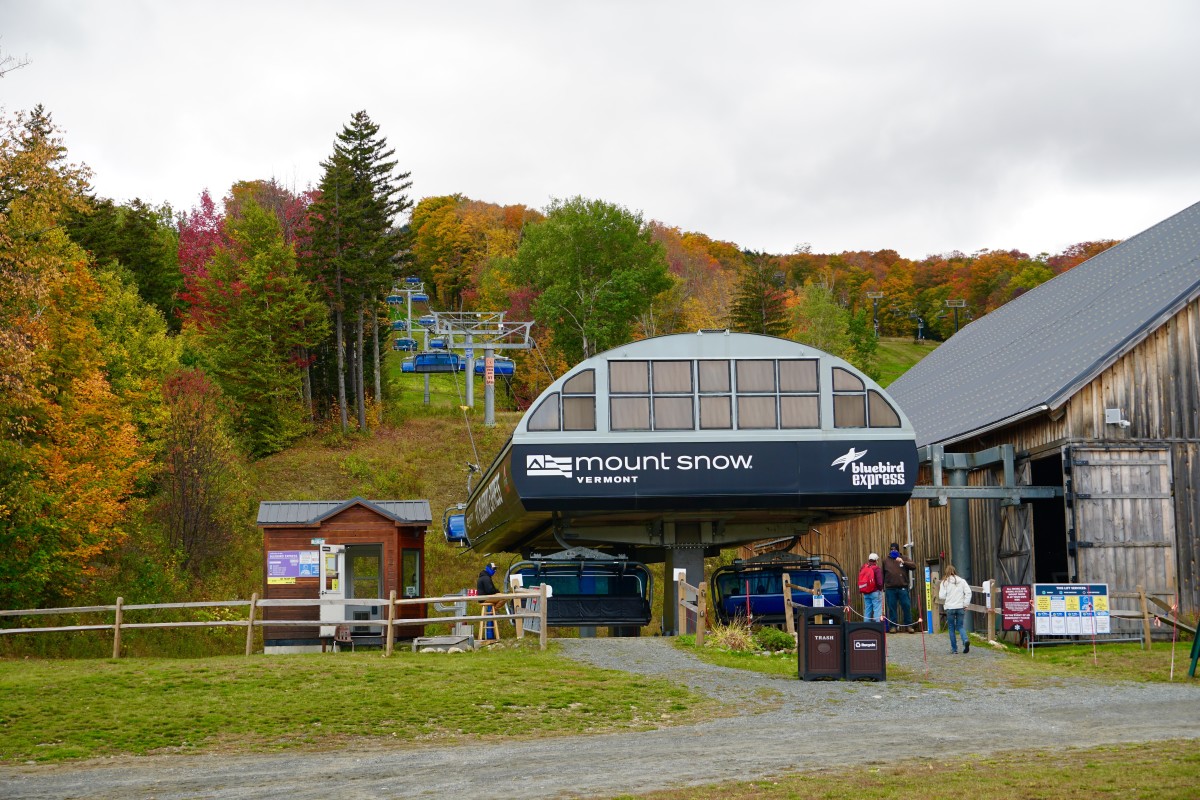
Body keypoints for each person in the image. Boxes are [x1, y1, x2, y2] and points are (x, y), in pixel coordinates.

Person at [882, 542, 916, 632]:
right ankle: (893, 626)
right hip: (890, 588)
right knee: (892, 608)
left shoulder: (904, 558)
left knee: (906, 606)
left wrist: (903, 562)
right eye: (891, 549)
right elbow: (883, 574)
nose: (893, 551)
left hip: (903, 587)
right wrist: (882, 587)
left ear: (898, 550)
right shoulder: (885, 560)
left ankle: (909, 626)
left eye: (895, 549)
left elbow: (914, 566)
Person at [938, 564, 972, 654]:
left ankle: (954, 649)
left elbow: (941, 596)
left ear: (946, 572)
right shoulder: (962, 581)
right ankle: (965, 640)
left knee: (951, 628)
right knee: (960, 626)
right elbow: (968, 592)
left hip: (950, 608)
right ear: (955, 571)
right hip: (960, 607)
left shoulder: (944, 582)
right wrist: (965, 604)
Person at [859, 553, 884, 622]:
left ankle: (866, 627)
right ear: (876, 560)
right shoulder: (876, 569)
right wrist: (880, 589)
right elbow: (879, 582)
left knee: (867, 609)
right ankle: (877, 627)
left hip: (866, 592)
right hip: (875, 592)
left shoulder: (863, 568)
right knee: (877, 610)